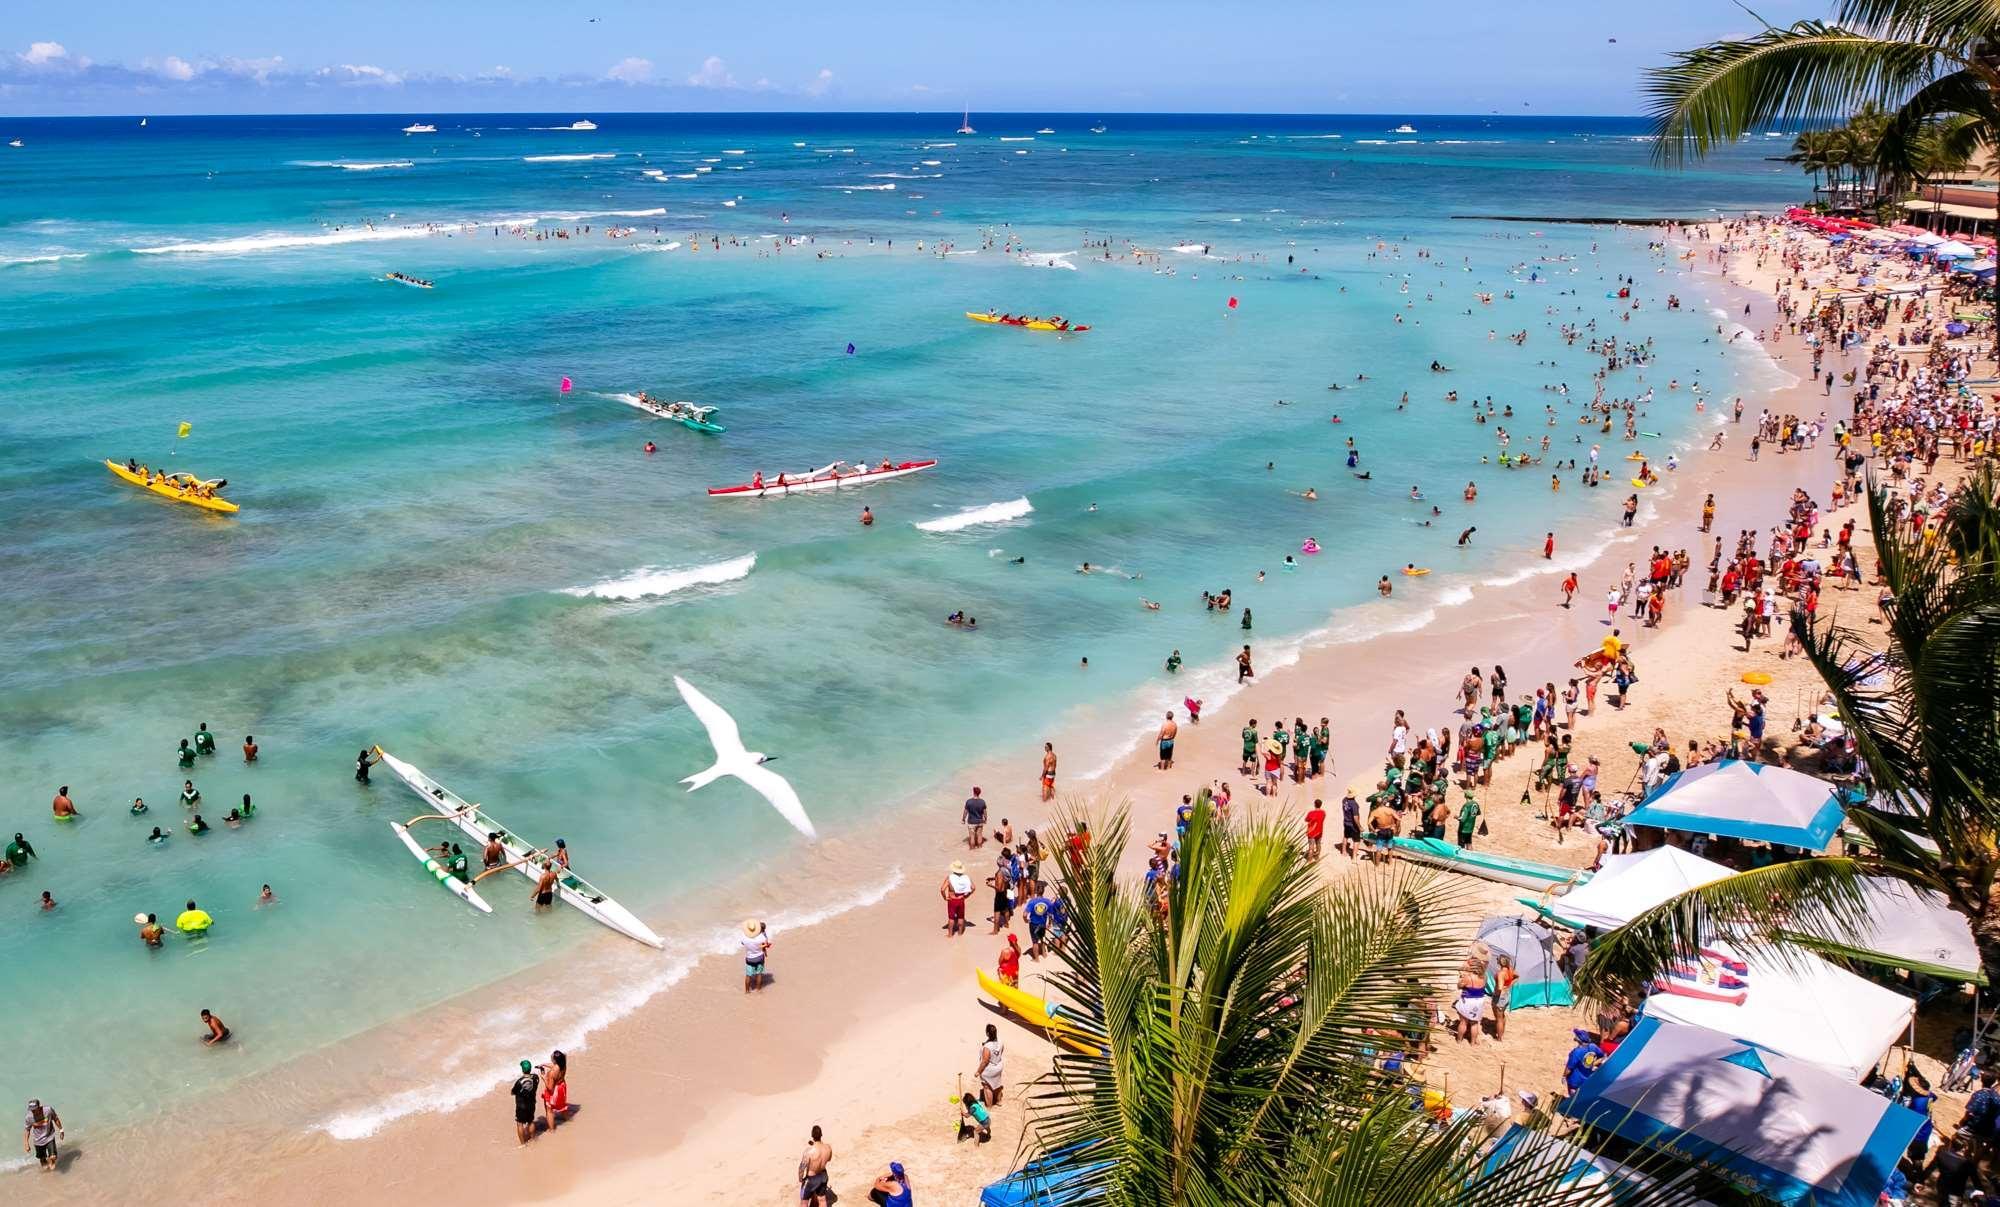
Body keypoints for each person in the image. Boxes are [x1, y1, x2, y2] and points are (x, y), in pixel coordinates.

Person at [23, 1099, 62, 1173]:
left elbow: (55, 1118)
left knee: (53, 1157)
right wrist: (26, 1143)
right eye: (31, 1110)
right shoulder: (28, 1117)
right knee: (42, 1159)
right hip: (38, 1141)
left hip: (49, 1136)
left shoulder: (48, 1110)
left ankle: (52, 1164)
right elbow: (27, 1130)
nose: (33, 1112)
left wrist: (61, 1130)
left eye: (35, 1110)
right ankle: (46, 1169)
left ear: (39, 1107)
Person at [799, 1125, 833, 1206]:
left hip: (811, 1179)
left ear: (812, 1135)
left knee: (804, 1201)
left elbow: (801, 1168)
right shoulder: (828, 1147)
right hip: (823, 1175)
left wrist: (800, 1178)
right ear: (821, 1135)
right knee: (822, 1199)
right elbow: (828, 1159)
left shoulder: (808, 1151)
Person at [511, 1059, 540, 1145]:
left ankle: (523, 1144)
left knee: (520, 1124)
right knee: (530, 1121)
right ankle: (533, 1138)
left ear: (522, 1070)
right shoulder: (535, 1078)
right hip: (531, 1104)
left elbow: (513, 1092)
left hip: (521, 1106)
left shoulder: (519, 1082)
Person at [976, 1023, 1006, 1106]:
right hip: (998, 1066)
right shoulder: (1000, 1041)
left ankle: (989, 1106)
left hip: (989, 1070)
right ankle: (999, 1101)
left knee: (987, 1087)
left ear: (988, 1033)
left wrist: (978, 1072)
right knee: (997, 1084)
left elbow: (985, 1061)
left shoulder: (987, 1047)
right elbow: (1001, 1050)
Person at [539, 1050, 569, 1132]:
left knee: (549, 1110)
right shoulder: (563, 1064)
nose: (551, 1057)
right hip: (562, 1087)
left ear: (555, 1060)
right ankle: (567, 1119)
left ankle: (552, 1130)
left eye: (552, 1057)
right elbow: (555, 1066)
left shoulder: (552, 1073)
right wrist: (544, 1064)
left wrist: (544, 1078)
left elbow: (550, 1088)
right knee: (562, 1105)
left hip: (555, 1091)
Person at [942, 861, 972, 937]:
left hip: (952, 900)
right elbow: (973, 888)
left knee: (951, 918)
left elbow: (942, 889)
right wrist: (966, 896)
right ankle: (960, 933)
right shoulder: (966, 877)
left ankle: (950, 934)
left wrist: (945, 897)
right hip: (961, 899)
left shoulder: (949, 878)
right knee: (961, 917)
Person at [742, 919, 771, 992]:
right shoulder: (762, 937)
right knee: (759, 974)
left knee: (748, 975)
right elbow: (766, 944)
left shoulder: (744, 938)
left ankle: (747, 991)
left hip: (749, 959)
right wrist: (767, 945)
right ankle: (758, 989)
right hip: (759, 958)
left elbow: (742, 943)